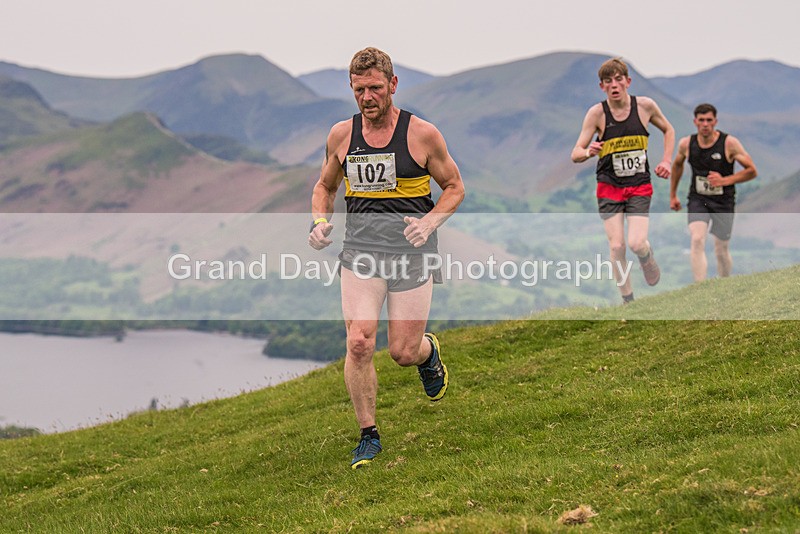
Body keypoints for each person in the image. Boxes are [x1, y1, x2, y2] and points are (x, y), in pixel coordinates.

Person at [308, 47, 465, 469]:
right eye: (359, 90)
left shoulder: (422, 135)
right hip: (361, 253)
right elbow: (324, 186)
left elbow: (454, 187)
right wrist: (319, 222)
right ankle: (368, 434)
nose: (367, 97)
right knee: (359, 341)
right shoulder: (342, 135)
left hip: (412, 254)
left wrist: (429, 223)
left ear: (393, 85)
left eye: (375, 88)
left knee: (401, 351)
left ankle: (427, 353)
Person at [571, 57, 675, 304]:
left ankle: (646, 257)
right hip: (609, 187)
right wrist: (588, 152)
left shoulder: (645, 107)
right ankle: (628, 301)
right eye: (608, 81)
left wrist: (666, 160)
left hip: (639, 185)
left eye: (619, 79)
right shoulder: (597, 114)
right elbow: (575, 152)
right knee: (617, 247)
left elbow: (668, 130)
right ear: (602, 87)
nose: (614, 85)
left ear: (628, 82)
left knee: (637, 243)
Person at [670, 103, 757, 281]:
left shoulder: (729, 143)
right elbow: (677, 165)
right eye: (701, 120)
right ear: (695, 122)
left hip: (723, 201)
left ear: (715, 121)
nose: (705, 124)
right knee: (697, 239)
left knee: (721, 249)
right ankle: (700, 288)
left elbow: (751, 170)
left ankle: (724, 285)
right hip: (698, 198)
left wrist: (725, 180)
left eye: (709, 120)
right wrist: (673, 195)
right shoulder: (686, 144)